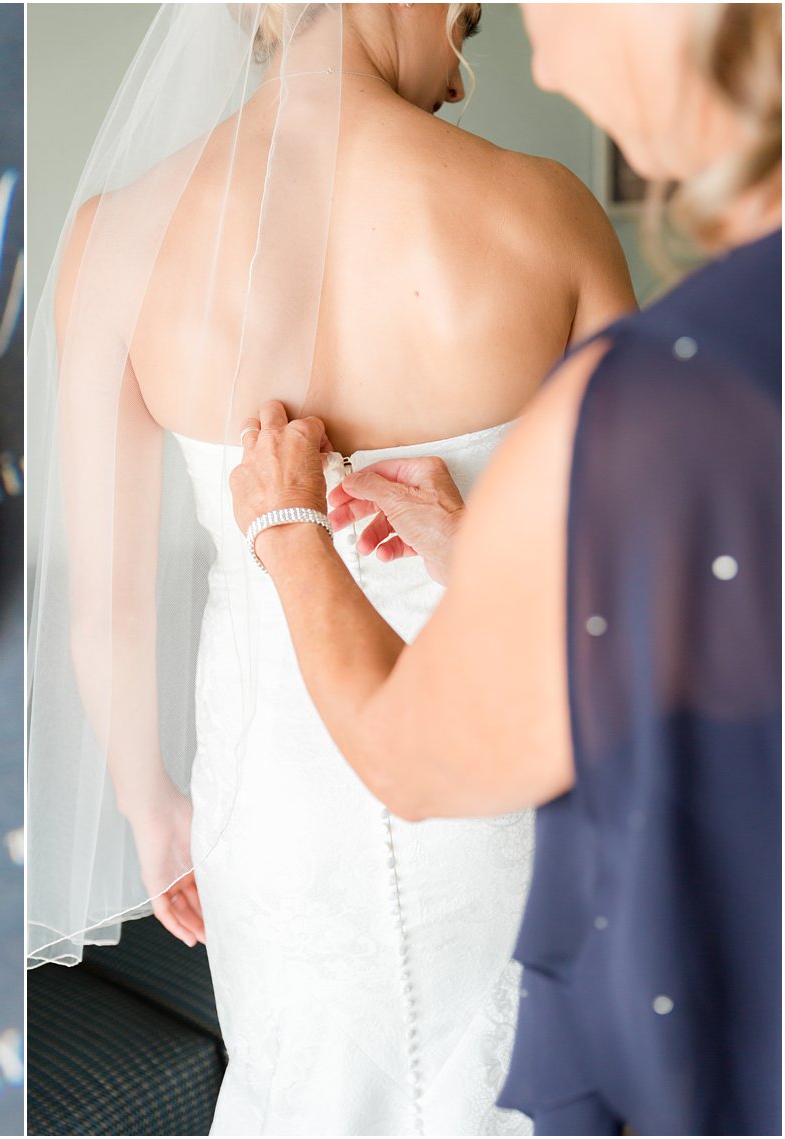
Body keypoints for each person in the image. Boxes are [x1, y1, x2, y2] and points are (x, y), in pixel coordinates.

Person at [27, 4, 634, 1133]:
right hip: (499, 772)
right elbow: (626, 589)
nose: (455, 79)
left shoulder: (117, 238)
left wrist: (150, 804)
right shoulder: (546, 212)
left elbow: (101, 604)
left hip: (269, 799)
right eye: (466, 23)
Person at [229, 4, 780, 1134]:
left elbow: (412, 763)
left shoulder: (651, 393)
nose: (529, 49)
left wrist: (285, 528)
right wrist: (484, 551)